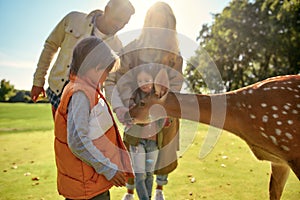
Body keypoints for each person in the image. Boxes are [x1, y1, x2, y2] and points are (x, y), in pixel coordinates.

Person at [105, 2, 183, 200]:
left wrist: (162, 100)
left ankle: (159, 191)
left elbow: (176, 83)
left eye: (163, 23)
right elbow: (120, 77)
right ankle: (132, 192)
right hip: (138, 112)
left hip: (163, 116)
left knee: (161, 157)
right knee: (136, 158)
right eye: (154, 21)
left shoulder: (174, 55)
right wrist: (128, 103)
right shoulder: (133, 48)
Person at [54, 36, 134, 200]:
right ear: (94, 66)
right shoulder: (80, 93)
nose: (105, 77)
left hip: (92, 182)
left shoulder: (89, 89)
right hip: (87, 187)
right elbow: (77, 141)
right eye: (105, 71)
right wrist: (109, 169)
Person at [30, 0, 135, 119]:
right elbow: (50, 46)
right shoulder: (73, 19)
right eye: (118, 19)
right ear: (107, 10)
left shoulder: (117, 47)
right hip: (59, 91)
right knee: (62, 136)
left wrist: (119, 107)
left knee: (79, 136)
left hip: (87, 100)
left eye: (125, 23)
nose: (119, 25)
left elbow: (109, 81)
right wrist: (38, 82)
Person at [123, 66, 171, 200]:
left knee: (149, 174)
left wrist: (166, 119)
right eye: (140, 81)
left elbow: (166, 115)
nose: (143, 83)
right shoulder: (134, 97)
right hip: (138, 142)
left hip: (153, 141)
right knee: (140, 174)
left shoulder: (159, 96)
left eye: (147, 79)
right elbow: (131, 114)